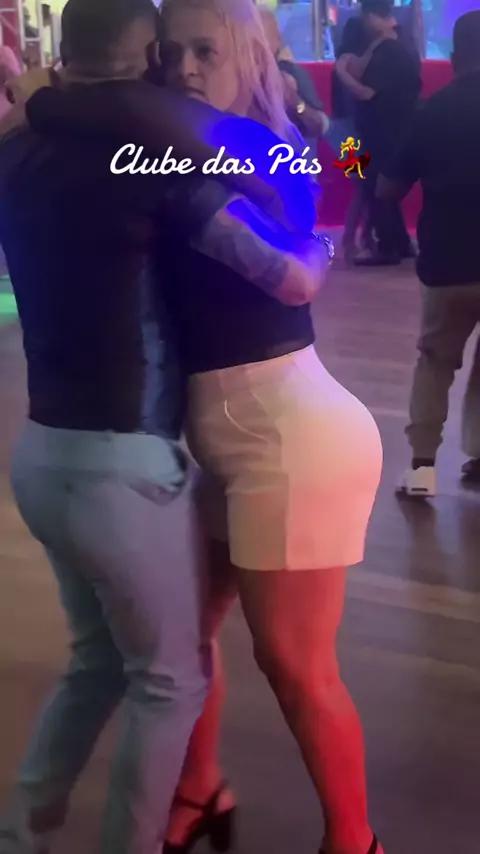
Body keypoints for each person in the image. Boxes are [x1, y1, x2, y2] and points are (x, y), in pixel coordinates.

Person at [15, 3, 382, 853]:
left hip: (287, 433)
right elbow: (89, 114)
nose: (183, 67)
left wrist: (338, 205)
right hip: (211, 440)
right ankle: (197, 792)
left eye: (205, 50)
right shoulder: (171, 139)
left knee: (293, 667)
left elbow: (341, 163)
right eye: (170, 52)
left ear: (248, 51)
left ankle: (356, 841)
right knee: (188, 645)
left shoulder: (254, 139)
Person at [377, 10, 480, 497]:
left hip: (445, 263)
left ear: (455, 57)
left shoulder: (430, 111)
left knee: (436, 363)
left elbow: (388, 189)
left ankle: (422, 468)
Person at [335, 0, 420, 266]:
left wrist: (341, 73)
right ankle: (399, 242)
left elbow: (367, 92)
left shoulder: (389, 50)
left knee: (376, 185)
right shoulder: (400, 41)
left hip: (385, 129)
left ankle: (386, 247)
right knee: (383, 184)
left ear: (371, 16)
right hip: (400, 126)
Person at [259, 6, 330, 140]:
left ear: (277, 40)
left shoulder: (292, 72)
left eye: (262, 38)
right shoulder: (235, 75)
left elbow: (321, 126)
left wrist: (295, 101)